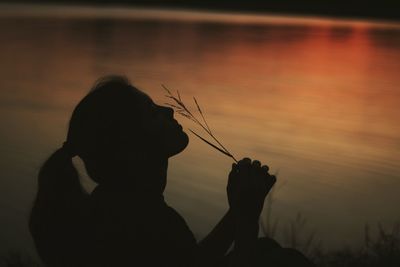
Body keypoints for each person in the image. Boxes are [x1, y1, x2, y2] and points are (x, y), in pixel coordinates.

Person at [29, 76, 314, 266]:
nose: (170, 111)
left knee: (268, 251)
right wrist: (248, 219)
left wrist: (236, 211)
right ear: (132, 147)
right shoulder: (144, 220)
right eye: (153, 113)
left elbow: (192, 260)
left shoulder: (119, 203)